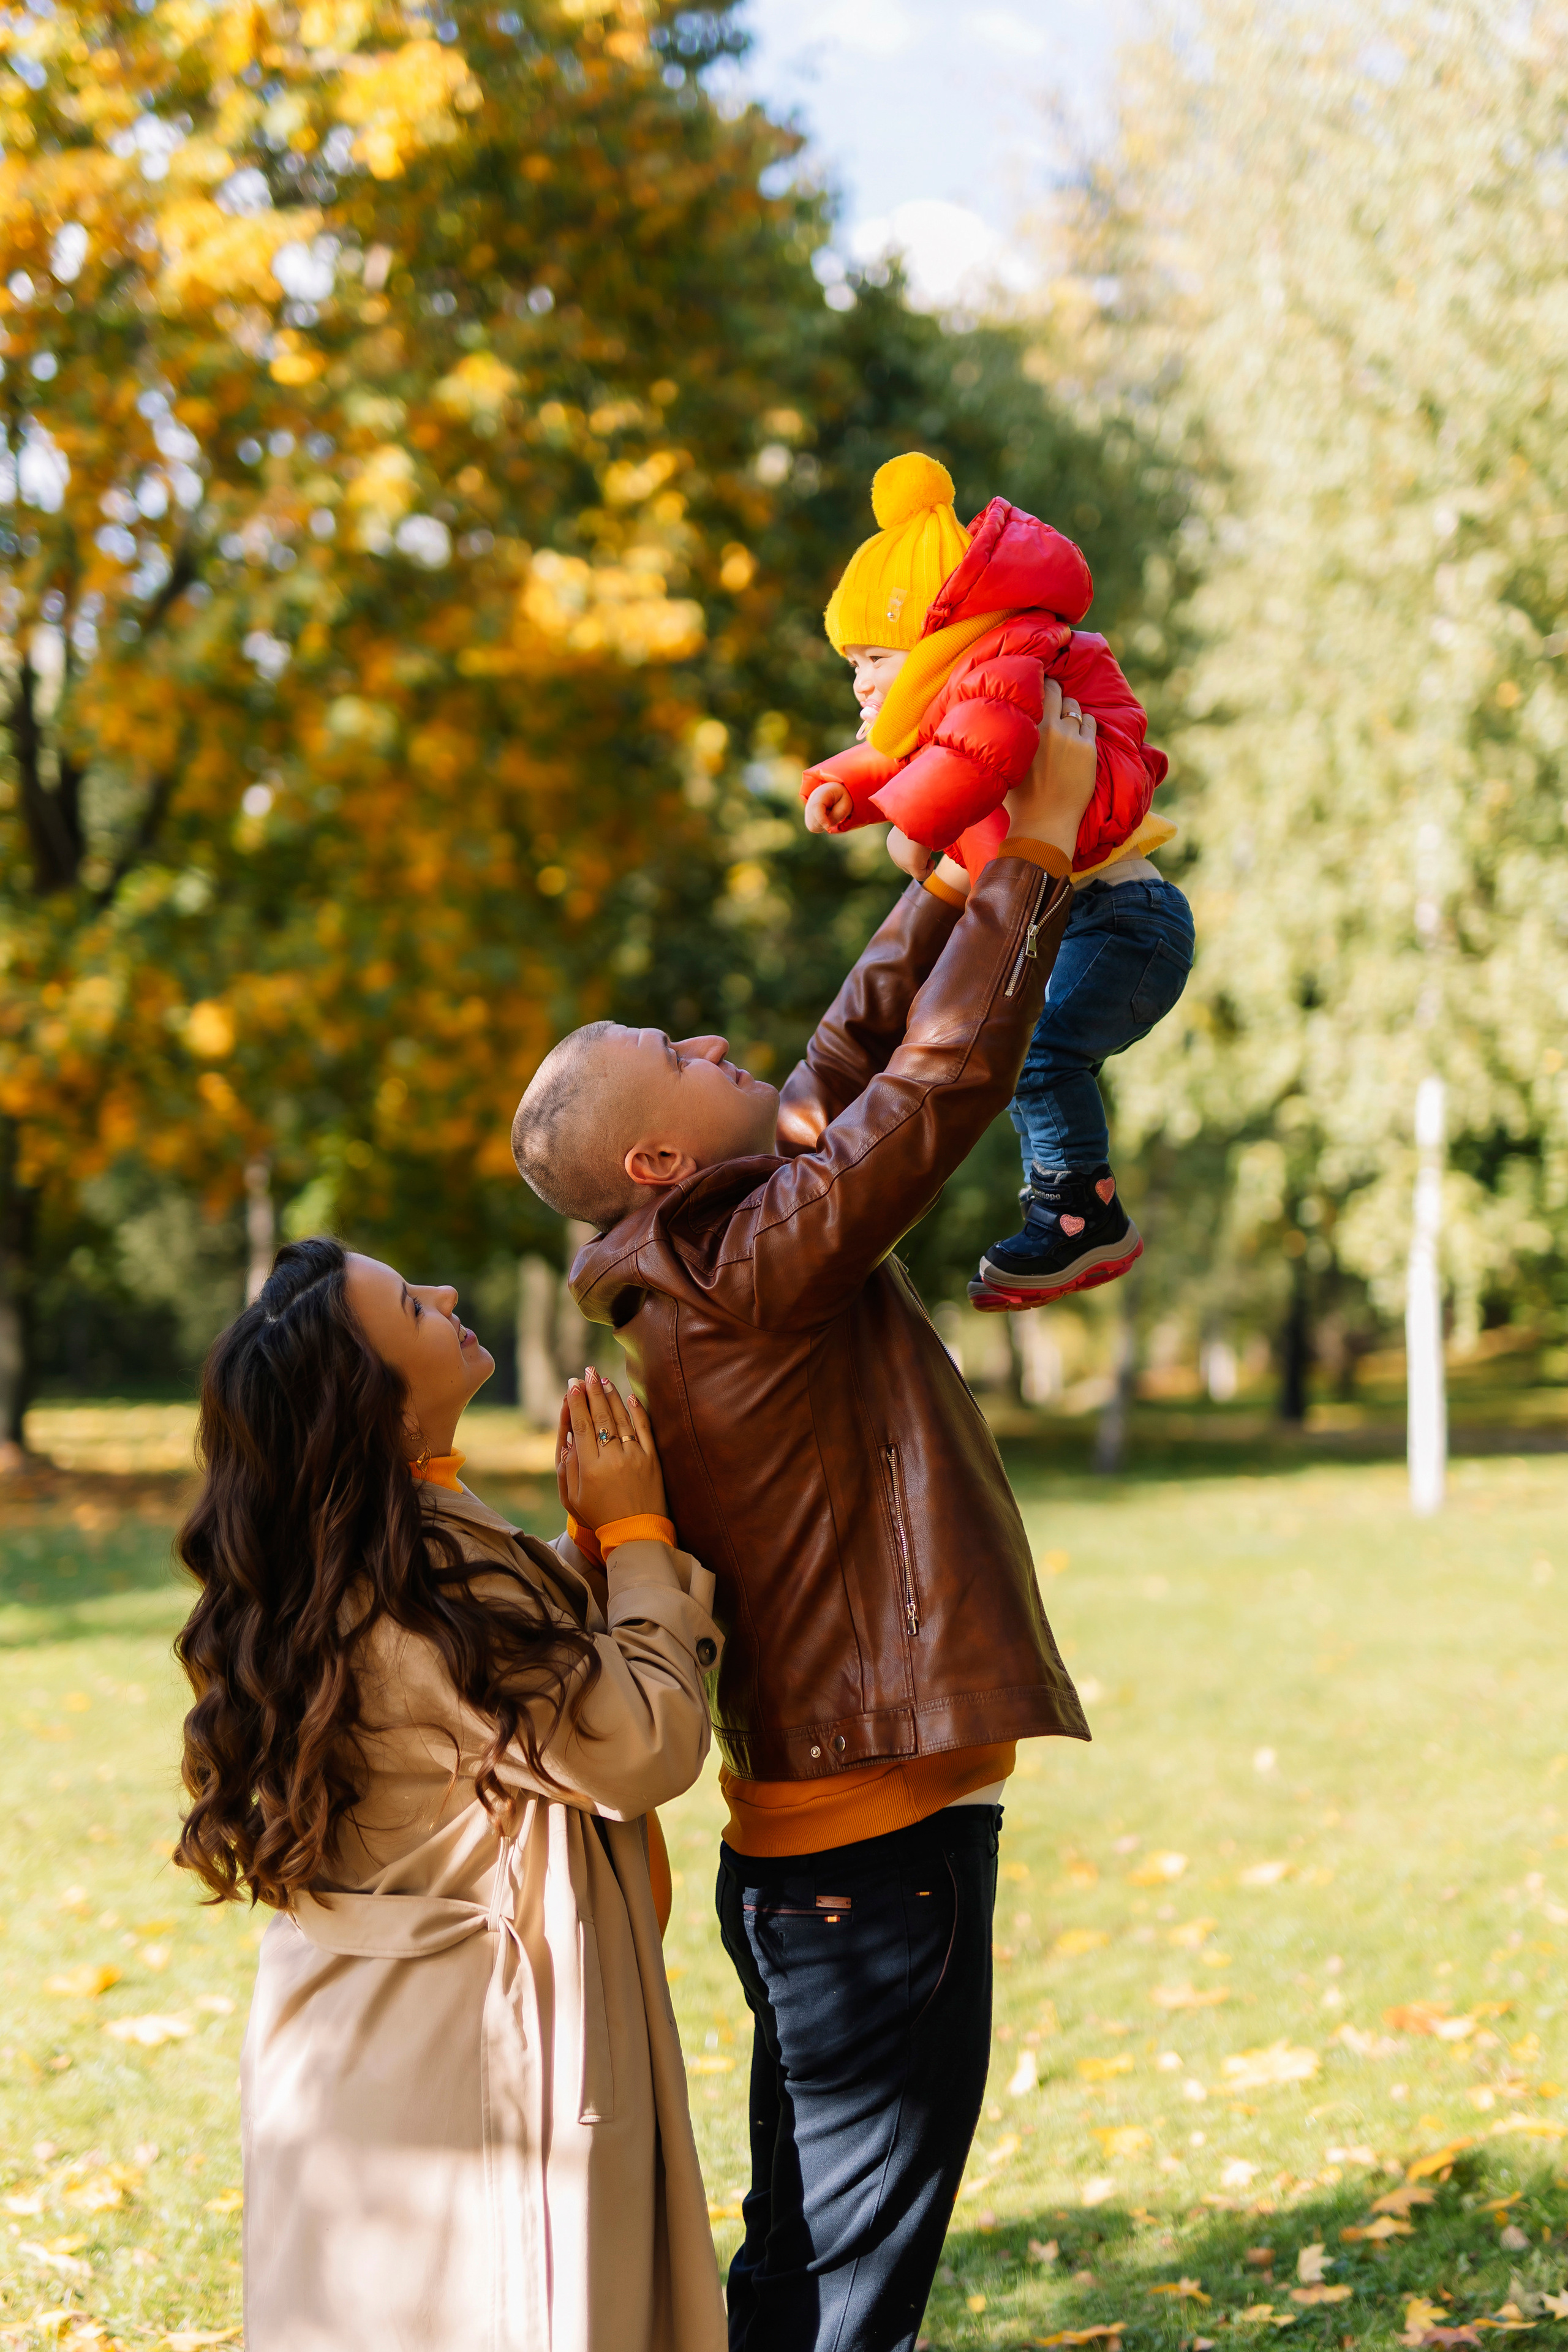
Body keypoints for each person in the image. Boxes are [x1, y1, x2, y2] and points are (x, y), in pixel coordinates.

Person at [510, 696, 1095, 2352]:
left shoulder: (720, 1246)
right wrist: (1036, 861)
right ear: (649, 1157)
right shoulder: (749, 1270)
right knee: (852, 2304)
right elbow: (925, 1096)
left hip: (841, 1870)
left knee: (802, 2278)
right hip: (873, 1867)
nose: (715, 1043)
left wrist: (952, 866)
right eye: (680, 1061)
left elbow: (847, 1055)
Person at [172, 1235, 726, 2352]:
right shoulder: (420, 1575)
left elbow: (499, 1703)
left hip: (364, 2042)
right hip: (457, 2063)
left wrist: (579, 1554)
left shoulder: (358, 1550)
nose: (449, 1291)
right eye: (415, 1310)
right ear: (379, 1411)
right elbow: (640, 1744)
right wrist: (636, 1539)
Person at [801, 450, 1195, 1312]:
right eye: (852, 664)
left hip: (1126, 922)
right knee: (1027, 1052)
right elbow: (919, 757)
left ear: (936, 640)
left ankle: (1077, 1213)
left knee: (1040, 1053)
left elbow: (979, 756)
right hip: (1093, 921)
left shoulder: (1006, 669)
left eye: (874, 657)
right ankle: (1071, 1205)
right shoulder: (973, 685)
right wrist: (848, 790)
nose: (861, 683)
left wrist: (913, 822)